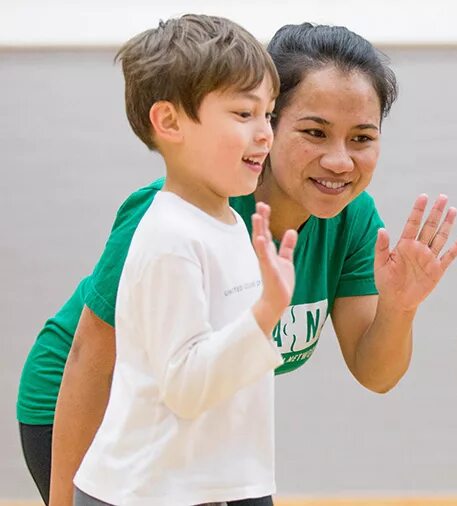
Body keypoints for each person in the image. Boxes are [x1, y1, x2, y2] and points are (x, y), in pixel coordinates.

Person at [17, 22, 457, 506]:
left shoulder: (352, 218)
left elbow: (375, 373)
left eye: (362, 138)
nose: (340, 161)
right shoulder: (173, 216)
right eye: (315, 132)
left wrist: (399, 307)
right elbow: (90, 355)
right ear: (267, 126)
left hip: (202, 429)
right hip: (91, 411)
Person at [69, 15, 296, 505]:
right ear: (169, 122)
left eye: (268, 114)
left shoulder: (228, 223)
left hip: (219, 483)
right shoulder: (169, 238)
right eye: (243, 114)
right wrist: (266, 313)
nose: (265, 134)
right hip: (146, 492)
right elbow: (187, 386)